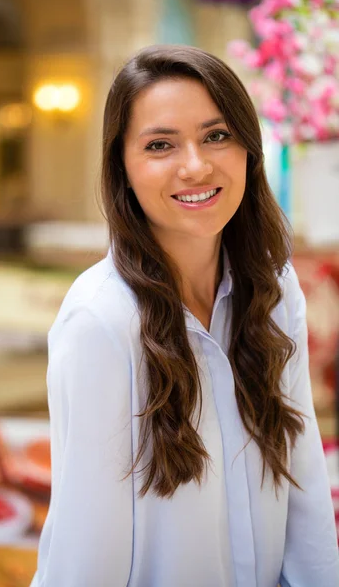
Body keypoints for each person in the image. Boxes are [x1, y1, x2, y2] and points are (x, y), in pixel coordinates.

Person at [31, 45, 339, 587]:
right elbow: (85, 550)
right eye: (160, 145)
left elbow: (303, 477)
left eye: (216, 135)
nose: (196, 165)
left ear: (249, 148)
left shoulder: (273, 287)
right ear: (122, 168)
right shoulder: (102, 322)